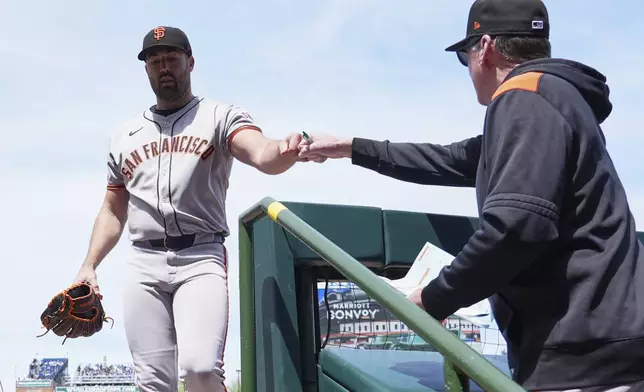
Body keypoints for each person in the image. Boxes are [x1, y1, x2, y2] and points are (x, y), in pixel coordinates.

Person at [297, 0, 644, 390]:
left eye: (465, 56)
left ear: (485, 47)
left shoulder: (524, 99)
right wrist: (351, 147)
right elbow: (452, 160)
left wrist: (433, 299)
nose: (468, 69)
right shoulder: (552, 101)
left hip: (587, 356)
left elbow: (516, 227)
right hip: (606, 342)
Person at [72, 26, 304, 392]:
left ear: (190, 63)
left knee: (200, 370)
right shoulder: (124, 135)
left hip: (200, 255)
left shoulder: (219, 116)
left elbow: (261, 152)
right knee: (152, 381)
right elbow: (113, 209)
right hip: (143, 262)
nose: (164, 67)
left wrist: (283, 151)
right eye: (155, 61)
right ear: (146, 69)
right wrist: (89, 266)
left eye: (172, 59)